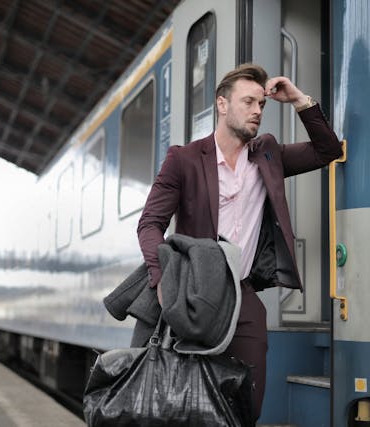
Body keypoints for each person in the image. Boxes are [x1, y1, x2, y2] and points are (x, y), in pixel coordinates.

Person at [137, 63, 342, 420]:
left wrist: (298, 99)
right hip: (194, 294)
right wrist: (162, 280)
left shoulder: (267, 155)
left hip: (244, 296)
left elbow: (327, 150)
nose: (257, 111)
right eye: (248, 102)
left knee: (247, 404)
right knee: (187, 401)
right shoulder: (184, 160)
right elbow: (150, 225)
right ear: (222, 104)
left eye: (261, 105)